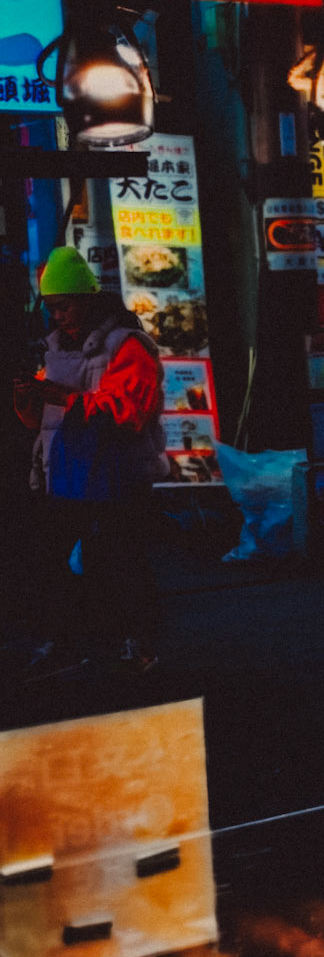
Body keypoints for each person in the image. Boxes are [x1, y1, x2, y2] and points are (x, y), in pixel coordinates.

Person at [12, 245, 167, 675]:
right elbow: (40, 421)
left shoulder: (126, 345)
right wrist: (28, 396)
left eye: (63, 306)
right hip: (63, 473)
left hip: (116, 474)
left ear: (86, 299)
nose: (57, 316)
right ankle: (73, 640)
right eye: (51, 308)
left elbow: (129, 410)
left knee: (118, 561)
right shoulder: (53, 349)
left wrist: (59, 396)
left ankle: (136, 644)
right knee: (48, 558)